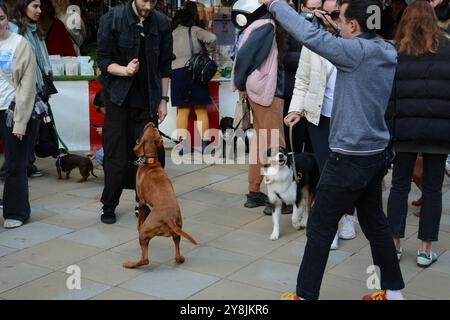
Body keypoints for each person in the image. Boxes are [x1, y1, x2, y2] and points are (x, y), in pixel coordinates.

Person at [262, 0, 405, 300]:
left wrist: (275, 4)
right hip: (375, 154)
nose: (338, 25)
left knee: (319, 226)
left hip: (348, 158)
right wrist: (333, 23)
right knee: (376, 224)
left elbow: (311, 38)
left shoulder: (355, 54)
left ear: (353, 25)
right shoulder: (387, 49)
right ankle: (393, 293)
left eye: (342, 20)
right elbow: (341, 39)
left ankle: (304, 296)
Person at [285, 0, 356, 251]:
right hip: (319, 117)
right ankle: (330, 225)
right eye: (323, 12)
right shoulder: (312, 43)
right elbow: (302, 80)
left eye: (335, 13)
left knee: (346, 170)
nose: (327, 17)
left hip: (348, 117)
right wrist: (296, 109)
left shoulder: (354, 42)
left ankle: (348, 213)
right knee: (326, 171)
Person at [385, 0, 450, 267]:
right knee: (433, 190)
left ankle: (395, 245)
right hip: (439, 132)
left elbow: (389, 99)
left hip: (404, 131)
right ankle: (425, 249)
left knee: (399, 187)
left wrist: (388, 131)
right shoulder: (448, 50)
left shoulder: (396, 53)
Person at [96, 0, 173, 224]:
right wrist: (124, 70)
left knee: (149, 157)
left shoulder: (160, 23)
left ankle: (144, 203)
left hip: (148, 101)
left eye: (153, 1)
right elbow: (103, 60)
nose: (148, 6)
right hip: (118, 100)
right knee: (116, 156)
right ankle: (109, 205)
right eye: (144, 0)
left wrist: (163, 100)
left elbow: (165, 65)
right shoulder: (113, 18)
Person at [231, 0, 287, 215]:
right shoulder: (266, 25)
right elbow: (245, 57)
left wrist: (243, 83)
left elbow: (242, 56)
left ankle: (255, 191)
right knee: (274, 142)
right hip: (268, 92)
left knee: (261, 141)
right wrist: (242, 81)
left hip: (260, 90)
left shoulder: (255, 26)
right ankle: (278, 195)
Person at [0, 1, 37, 228]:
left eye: (1, 18)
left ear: (7, 19)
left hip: (11, 111)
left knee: (15, 164)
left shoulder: (19, 44)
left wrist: (20, 122)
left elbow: (27, 85)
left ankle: (16, 212)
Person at [10, 0, 57, 178]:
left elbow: (41, 57)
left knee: (33, 128)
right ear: (23, 7)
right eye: (34, 6)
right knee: (23, 128)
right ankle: (17, 166)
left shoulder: (34, 29)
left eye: (40, 6)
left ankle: (26, 164)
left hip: (37, 87)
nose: (39, 10)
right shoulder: (15, 30)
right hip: (23, 88)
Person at [171, 9, 216, 154]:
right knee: (201, 110)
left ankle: (182, 145)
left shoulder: (171, 33)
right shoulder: (195, 30)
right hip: (193, 72)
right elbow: (212, 38)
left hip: (177, 73)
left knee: (182, 111)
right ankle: (205, 145)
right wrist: (208, 51)